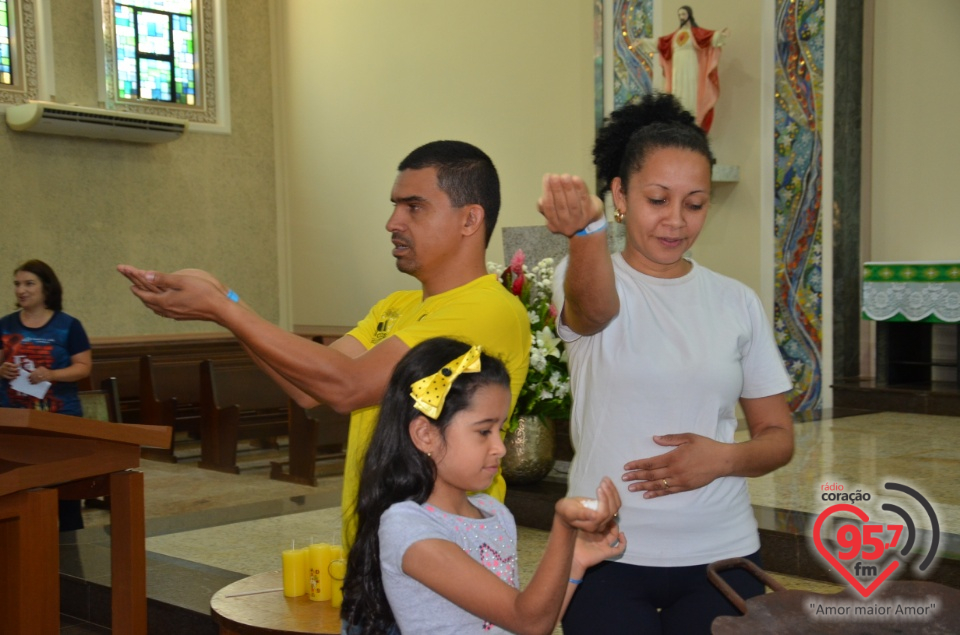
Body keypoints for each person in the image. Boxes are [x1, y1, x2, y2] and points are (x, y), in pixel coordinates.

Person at [117, 140, 531, 547]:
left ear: (469, 220)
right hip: (378, 543)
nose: (393, 222)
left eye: (414, 207)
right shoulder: (396, 307)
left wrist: (224, 309)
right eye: (394, 206)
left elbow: (347, 387)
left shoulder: (487, 310)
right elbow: (308, 388)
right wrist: (224, 300)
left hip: (447, 550)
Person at [537, 93, 794, 634]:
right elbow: (594, 311)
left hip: (722, 556)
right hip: (603, 554)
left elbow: (777, 437)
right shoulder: (582, 274)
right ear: (621, 196)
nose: (676, 221)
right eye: (658, 199)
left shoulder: (736, 302)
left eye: (695, 204)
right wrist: (586, 232)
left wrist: (721, 459)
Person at [341, 337, 625, 635]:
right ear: (426, 434)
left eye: (501, 429)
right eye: (483, 431)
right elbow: (528, 621)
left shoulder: (494, 512)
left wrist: (576, 559)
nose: (500, 447)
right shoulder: (407, 527)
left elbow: (525, 618)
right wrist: (563, 528)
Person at [0, 259, 92, 531]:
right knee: (15, 493)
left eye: (29, 283)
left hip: (60, 421)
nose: (21, 290)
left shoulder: (68, 326)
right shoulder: (5, 325)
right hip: (13, 423)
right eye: (17, 284)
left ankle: (71, 557)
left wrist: (51, 374)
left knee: (65, 496)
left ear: (46, 288)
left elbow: (83, 368)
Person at [638, 5, 728, 133]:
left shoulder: (695, 33)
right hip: (677, 68)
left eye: (683, 14)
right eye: (679, 15)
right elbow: (660, 43)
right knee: (677, 92)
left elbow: (708, 37)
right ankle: (678, 119)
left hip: (691, 65)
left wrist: (720, 34)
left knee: (691, 90)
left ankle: (692, 119)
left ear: (689, 15)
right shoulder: (675, 36)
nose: (681, 17)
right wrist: (642, 42)